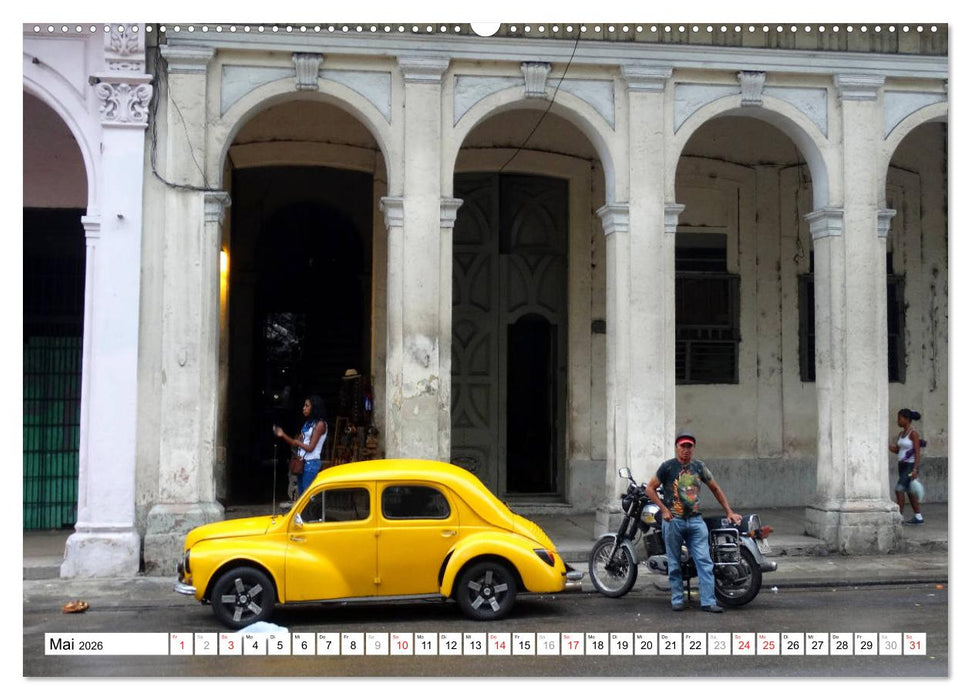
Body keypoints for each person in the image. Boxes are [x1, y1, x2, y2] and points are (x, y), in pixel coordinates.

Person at [644, 432, 742, 613]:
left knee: (705, 562)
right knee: (674, 562)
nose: (686, 450)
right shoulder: (667, 467)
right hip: (673, 521)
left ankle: (708, 601)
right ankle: (677, 599)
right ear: (676, 448)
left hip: (695, 521)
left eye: (689, 447)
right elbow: (650, 489)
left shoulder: (699, 467)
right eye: (683, 446)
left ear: (693, 449)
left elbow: (715, 488)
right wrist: (664, 510)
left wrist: (729, 511)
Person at [274, 395, 328, 497]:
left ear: (314, 408)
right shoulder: (308, 423)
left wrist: (297, 443)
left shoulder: (320, 424)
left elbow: (310, 447)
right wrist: (283, 435)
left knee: (306, 497)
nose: (304, 408)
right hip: (302, 463)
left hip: (311, 463)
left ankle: (308, 513)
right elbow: (295, 442)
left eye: (307, 406)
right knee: (302, 496)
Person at [889, 408, 923, 524]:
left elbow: (917, 452)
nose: (898, 421)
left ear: (907, 419)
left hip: (910, 466)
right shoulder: (901, 434)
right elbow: (898, 450)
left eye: (899, 419)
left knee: (899, 489)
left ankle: (898, 518)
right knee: (910, 491)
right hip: (902, 465)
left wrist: (915, 469)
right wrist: (887, 446)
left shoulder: (913, 434)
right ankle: (918, 517)